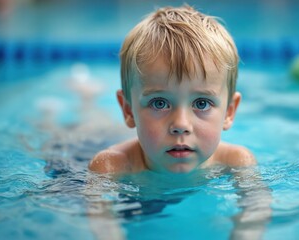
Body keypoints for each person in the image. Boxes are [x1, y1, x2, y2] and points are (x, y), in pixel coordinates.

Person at [89, 5, 255, 175]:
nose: (181, 125)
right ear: (128, 110)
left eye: (202, 103)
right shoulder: (111, 166)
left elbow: (257, 202)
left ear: (229, 111)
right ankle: (88, 102)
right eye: (159, 103)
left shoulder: (236, 162)